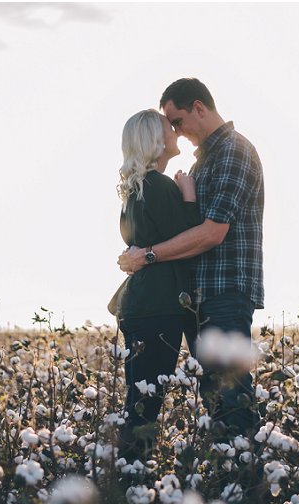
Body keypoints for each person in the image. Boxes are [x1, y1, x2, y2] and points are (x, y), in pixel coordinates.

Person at [117, 78, 265, 438]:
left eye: (177, 120)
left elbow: (212, 232)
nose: (177, 133)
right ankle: (225, 478)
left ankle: (244, 485)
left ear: (199, 107)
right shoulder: (201, 164)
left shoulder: (233, 152)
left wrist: (147, 255)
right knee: (215, 396)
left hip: (225, 293)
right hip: (197, 298)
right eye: (170, 127)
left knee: (231, 398)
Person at [109, 109, 203, 461]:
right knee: (146, 405)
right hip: (159, 308)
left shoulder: (135, 190)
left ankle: (127, 473)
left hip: (140, 307)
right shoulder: (160, 186)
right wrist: (190, 197)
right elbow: (189, 241)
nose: (176, 131)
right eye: (169, 127)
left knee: (139, 400)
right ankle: (130, 477)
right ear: (156, 140)